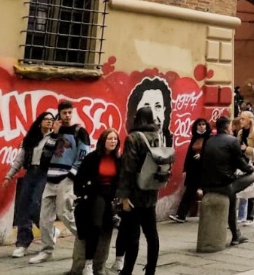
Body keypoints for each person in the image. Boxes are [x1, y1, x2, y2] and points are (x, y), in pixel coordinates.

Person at [31, 100, 87, 264]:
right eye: (64, 113)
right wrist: (54, 134)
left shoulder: (79, 131)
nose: (67, 116)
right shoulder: (54, 132)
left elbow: (83, 153)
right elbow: (46, 155)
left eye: (70, 112)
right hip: (50, 178)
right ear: (59, 114)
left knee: (65, 214)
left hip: (66, 178)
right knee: (44, 217)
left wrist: (72, 174)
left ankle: (84, 239)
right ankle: (47, 250)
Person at [115, 107, 167, 275]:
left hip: (134, 195)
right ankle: (150, 270)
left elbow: (127, 169)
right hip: (151, 192)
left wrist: (123, 196)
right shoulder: (159, 136)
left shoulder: (133, 138)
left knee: (133, 235)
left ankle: (127, 270)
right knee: (152, 235)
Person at [3, 111, 55, 258]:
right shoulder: (31, 139)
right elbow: (20, 159)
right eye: (46, 119)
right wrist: (9, 175)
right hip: (30, 173)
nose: (49, 122)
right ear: (40, 122)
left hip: (45, 174)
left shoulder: (54, 139)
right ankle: (22, 243)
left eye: (51, 120)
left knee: (35, 205)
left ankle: (49, 231)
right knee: (22, 206)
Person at [71, 128, 121, 275]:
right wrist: (81, 194)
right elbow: (80, 179)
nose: (113, 141)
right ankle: (88, 264)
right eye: (110, 139)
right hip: (95, 195)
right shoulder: (92, 157)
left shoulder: (118, 159)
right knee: (95, 226)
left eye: (115, 139)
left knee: (107, 228)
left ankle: (103, 264)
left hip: (111, 196)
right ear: (103, 141)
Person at [200, 115, 254, 246]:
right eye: (230, 125)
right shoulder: (232, 140)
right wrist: (250, 169)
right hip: (224, 184)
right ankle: (236, 236)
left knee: (232, 197)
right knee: (252, 177)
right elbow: (241, 163)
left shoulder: (209, 140)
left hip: (207, 185)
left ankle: (236, 235)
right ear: (227, 127)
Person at [170, 119, 212, 223]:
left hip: (205, 170)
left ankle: (210, 215)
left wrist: (202, 155)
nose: (201, 127)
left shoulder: (209, 138)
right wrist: (186, 168)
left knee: (207, 193)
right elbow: (189, 155)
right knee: (189, 193)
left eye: (203, 124)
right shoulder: (195, 137)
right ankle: (181, 215)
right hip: (193, 171)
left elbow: (211, 152)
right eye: (199, 125)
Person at [235, 111, 254, 225]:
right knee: (242, 189)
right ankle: (241, 215)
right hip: (242, 162)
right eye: (240, 118)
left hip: (252, 163)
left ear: (249, 120)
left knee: (252, 189)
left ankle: (250, 217)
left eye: (243, 119)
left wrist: (246, 148)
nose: (240, 120)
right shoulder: (241, 132)